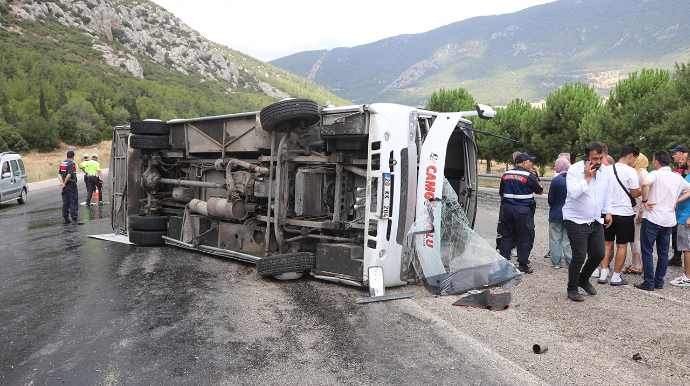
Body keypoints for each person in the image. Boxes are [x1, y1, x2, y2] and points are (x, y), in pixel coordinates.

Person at [562, 142, 612, 302]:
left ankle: (583, 279)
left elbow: (606, 192)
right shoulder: (574, 170)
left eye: (601, 157)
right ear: (586, 157)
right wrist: (587, 177)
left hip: (595, 220)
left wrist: (608, 211)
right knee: (579, 256)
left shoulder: (604, 171)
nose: (598, 161)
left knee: (599, 254)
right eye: (595, 158)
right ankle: (572, 288)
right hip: (576, 220)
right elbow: (574, 193)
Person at [635, 151, 690, 291]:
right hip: (668, 219)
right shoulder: (677, 177)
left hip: (652, 217)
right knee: (663, 252)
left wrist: (646, 201)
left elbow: (645, 183)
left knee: (647, 251)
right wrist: (677, 200)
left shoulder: (655, 174)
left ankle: (648, 281)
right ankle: (659, 281)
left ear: (656, 162)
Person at [597, 143, 641, 286]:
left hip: (607, 212)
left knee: (606, 244)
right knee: (622, 246)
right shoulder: (631, 171)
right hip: (624, 214)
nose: (633, 161)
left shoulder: (606, 169)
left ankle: (603, 274)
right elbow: (634, 193)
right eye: (634, 159)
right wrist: (644, 192)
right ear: (631, 155)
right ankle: (616, 277)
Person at [499, 152, 544, 273]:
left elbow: (501, 194)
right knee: (525, 236)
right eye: (530, 161)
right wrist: (537, 179)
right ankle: (523, 264)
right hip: (523, 210)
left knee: (507, 236)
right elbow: (540, 191)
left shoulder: (506, 174)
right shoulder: (528, 175)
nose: (532, 163)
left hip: (507, 208)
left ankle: (504, 263)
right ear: (524, 163)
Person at [624, 153, 650, 274]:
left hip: (638, 209)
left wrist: (641, 211)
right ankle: (639, 263)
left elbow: (646, 193)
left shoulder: (642, 173)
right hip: (634, 208)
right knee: (635, 237)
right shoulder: (636, 171)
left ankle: (637, 264)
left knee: (636, 238)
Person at [496, 151, 523, 254]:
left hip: (514, 205)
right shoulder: (508, 173)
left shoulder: (528, 174)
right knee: (503, 226)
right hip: (508, 204)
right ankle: (500, 247)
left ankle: (512, 247)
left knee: (515, 227)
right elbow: (501, 192)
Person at [548, 157, 572, 268]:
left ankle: (556, 262)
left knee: (555, 239)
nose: (555, 167)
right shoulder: (573, 179)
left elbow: (550, 199)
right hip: (570, 215)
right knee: (567, 239)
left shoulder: (556, 180)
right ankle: (570, 261)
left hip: (556, 213)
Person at [671, 150, 690, 286]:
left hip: (686, 218)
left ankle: (687, 277)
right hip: (682, 217)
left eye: (683, 158)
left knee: (686, 248)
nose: (679, 160)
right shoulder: (687, 176)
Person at [668, 145, 689, 264]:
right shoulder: (678, 169)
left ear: (683, 154)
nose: (674, 156)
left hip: (685, 211)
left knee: (686, 243)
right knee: (677, 234)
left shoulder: (686, 172)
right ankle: (677, 256)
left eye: (675, 153)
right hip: (679, 210)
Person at [58, 150, 83, 225]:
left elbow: (59, 175)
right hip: (71, 185)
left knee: (65, 202)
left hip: (65, 186)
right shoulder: (71, 164)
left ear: (67, 156)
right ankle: (74, 218)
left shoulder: (62, 163)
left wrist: (62, 183)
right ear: (73, 156)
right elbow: (69, 175)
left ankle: (65, 218)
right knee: (73, 201)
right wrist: (65, 183)